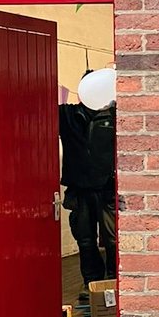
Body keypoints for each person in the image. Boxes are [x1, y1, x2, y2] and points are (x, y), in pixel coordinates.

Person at [58, 86, 117, 300]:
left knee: (112, 238)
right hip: (80, 189)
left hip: (108, 189)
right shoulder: (67, 115)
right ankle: (91, 282)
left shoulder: (114, 115)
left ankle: (114, 279)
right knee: (85, 239)